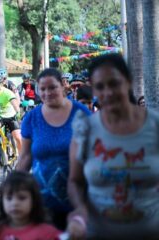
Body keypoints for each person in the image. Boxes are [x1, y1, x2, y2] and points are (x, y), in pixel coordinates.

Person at [67, 53, 159, 239]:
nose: (108, 92)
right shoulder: (84, 129)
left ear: (128, 82)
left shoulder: (155, 125)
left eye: (114, 83)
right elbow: (75, 181)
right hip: (98, 233)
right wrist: (80, 210)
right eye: (100, 87)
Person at [16, 68, 90, 230]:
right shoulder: (32, 118)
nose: (47, 93)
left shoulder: (81, 113)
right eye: (42, 89)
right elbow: (26, 157)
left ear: (63, 86)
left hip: (79, 201)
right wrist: (13, 187)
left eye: (52, 88)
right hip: (42, 203)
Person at [0, 171, 61, 240]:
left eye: (21, 198)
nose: (15, 203)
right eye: (9, 198)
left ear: (34, 200)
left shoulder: (48, 233)